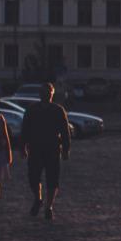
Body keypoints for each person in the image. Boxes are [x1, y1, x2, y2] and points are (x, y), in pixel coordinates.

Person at [19, 81, 72, 222]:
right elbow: (25, 129)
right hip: (35, 148)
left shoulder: (58, 110)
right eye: (43, 92)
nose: (45, 94)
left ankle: (49, 206)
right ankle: (38, 198)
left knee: (52, 179)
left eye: (48, 92)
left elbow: (65, 131)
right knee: (33, 177)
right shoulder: (32, 109)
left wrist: (66, 149)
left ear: (52, 94)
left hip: (52, 149)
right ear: (39, 94)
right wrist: (22, 147)